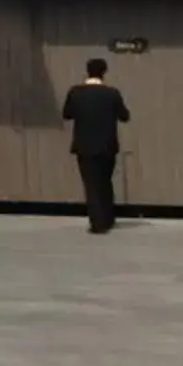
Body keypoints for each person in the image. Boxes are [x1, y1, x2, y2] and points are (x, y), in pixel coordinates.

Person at [61, 57, 130, 234]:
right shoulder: (111, 93)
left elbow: (67, 114)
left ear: (87, 71)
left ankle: (97, 223)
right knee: (105, 181)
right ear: (104, 72)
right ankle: (108, 217)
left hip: (84, 145)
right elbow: (124, 116)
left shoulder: (75, 93)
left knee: (91, 184)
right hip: (108, 145)